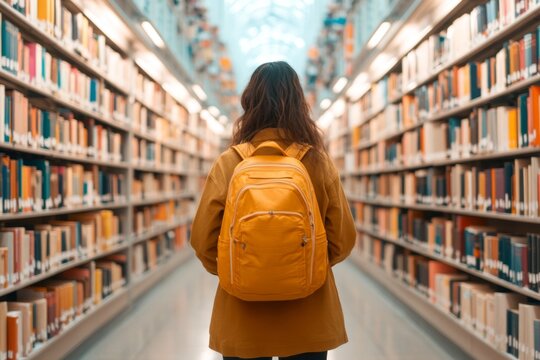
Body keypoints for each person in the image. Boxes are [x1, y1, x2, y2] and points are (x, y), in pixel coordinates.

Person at [190, 61, 356, 360]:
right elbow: (343, 239)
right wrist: (304, 264)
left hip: (242, 314)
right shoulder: (318, 162)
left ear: (248, 102)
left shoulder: (229, 163)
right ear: (299, 104)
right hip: (309, 313)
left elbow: (203, 241)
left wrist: (242, 266)